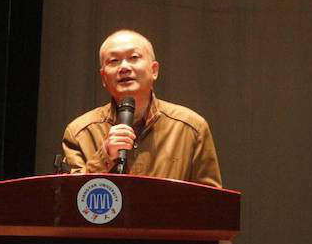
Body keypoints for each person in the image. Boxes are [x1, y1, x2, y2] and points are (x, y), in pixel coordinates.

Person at [61, 29, 222, 188]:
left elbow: (211, 201)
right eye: (114, 61)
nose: (124, 67)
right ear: (103, 78)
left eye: (134, 57)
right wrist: (105, 155)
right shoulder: (79, 133)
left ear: (154, 70)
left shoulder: (191, 129)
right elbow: (69, 197)